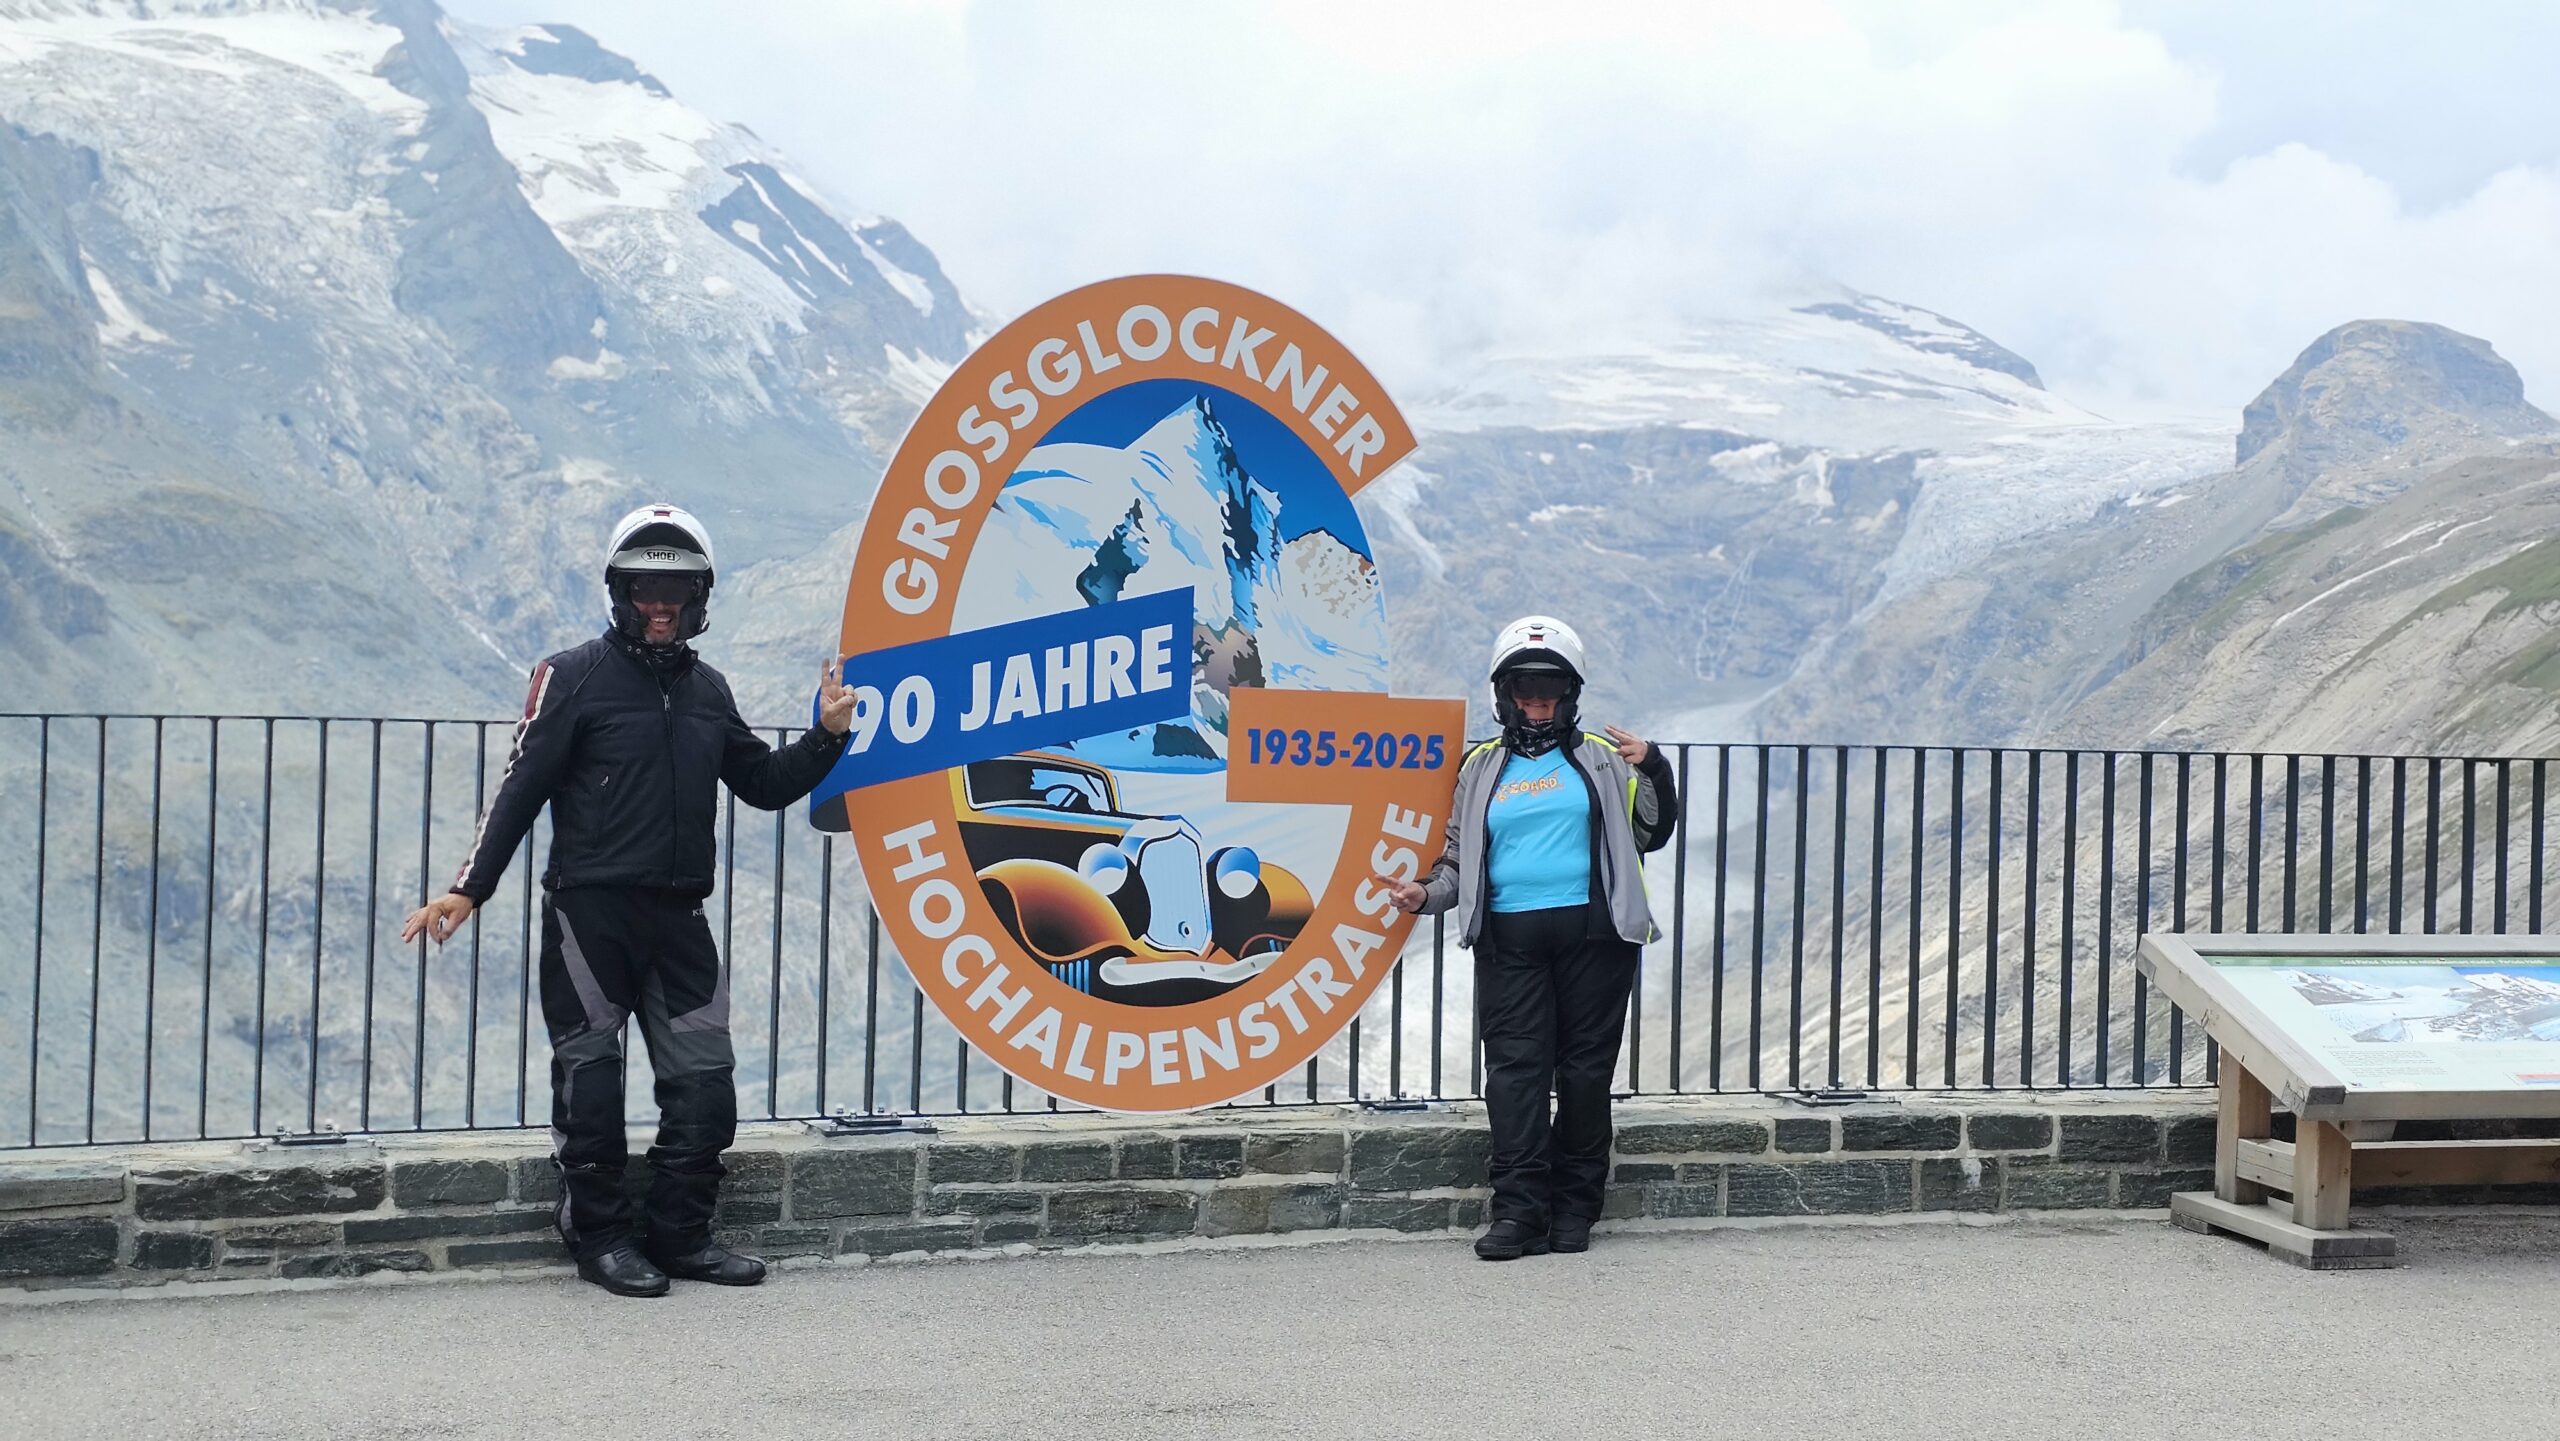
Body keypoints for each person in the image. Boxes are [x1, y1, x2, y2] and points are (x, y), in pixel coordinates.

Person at [401, 503, 855, 1297]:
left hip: (680, 921)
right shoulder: (570, 676)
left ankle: (682, 1236)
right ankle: (601, 1238)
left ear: (698, 599)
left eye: (674, 589)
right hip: (590, 918)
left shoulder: (710, 690)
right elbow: (521, 786)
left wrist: (824, 736)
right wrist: (467, 888)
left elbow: (760, 783)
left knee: (707, 1088)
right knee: (592, 1087)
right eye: (644, 585)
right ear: (619, 589)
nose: (659, 602)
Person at [1376, 615, 1678, 1261]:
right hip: (1509, 939)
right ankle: (1518, 1213)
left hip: (1596, 935)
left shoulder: (1600, 756)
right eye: (1523, 688)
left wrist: (1654, 769)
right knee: (1515, 1075)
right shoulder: (1480, 766)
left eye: (1548, 688)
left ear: (1568, 694)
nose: (1536, 700)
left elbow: (1650, 833)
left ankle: (1576, 1209)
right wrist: (1424, 895)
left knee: (1585, 1074)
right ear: (1504, 694)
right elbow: (1458, 859)